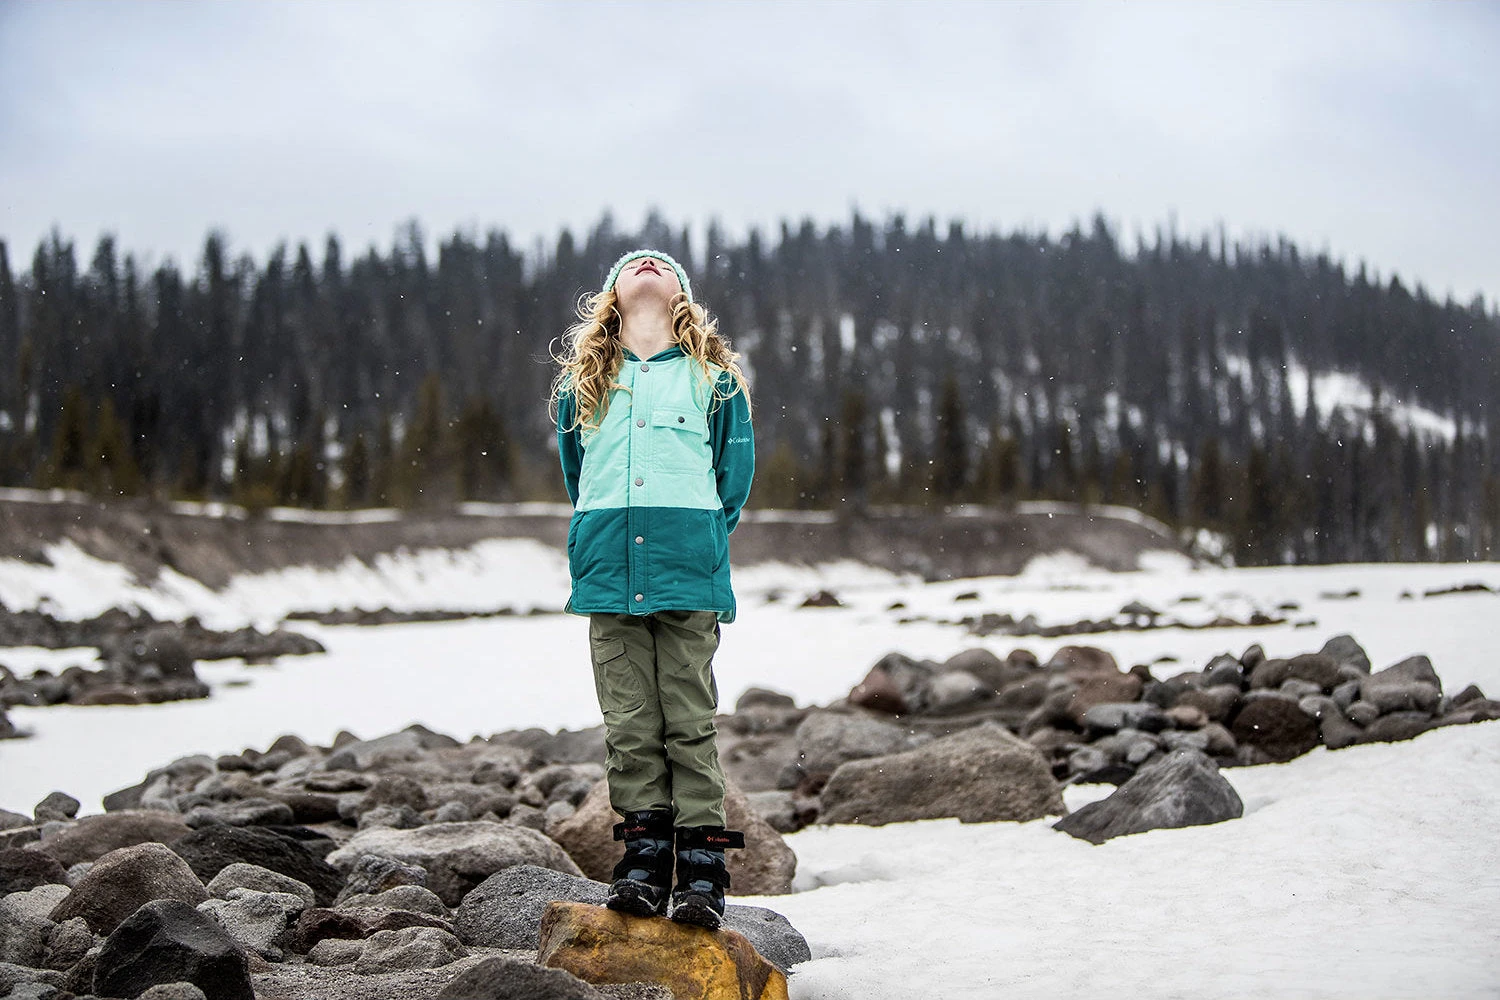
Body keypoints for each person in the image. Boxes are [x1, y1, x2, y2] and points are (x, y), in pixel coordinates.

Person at [550, 248, 754, 929]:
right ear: (611, 294)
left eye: (660, 264)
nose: (646, 263)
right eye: (632, 263)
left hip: (687, 572)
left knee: (689, 723)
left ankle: (702, 870)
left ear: (681, 296)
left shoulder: (713, 382)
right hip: (608, 574)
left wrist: (696, 540)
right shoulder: (581, 388)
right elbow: (577, 476)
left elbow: (732, 482)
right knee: (630, 726)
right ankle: (642, 863)